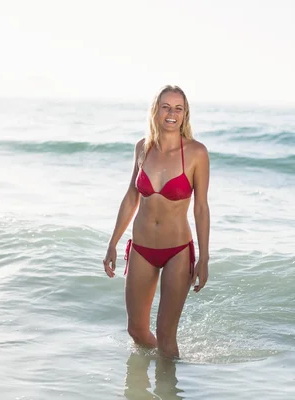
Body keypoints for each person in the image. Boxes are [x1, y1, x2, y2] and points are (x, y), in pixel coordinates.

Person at [103, 85, 210, 359]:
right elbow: (131, 196)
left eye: (178, 108)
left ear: (185, 114)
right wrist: (113, 242)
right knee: (136, 331)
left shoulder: (197, 153)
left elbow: (200, 207)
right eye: (166, 107)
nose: (171, 113)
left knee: (166, 335)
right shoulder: (143, 148)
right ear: (156, 111)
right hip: (141, 248)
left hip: (177, 250)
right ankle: (140, 384)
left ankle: (170, 388)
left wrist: (204, 258)